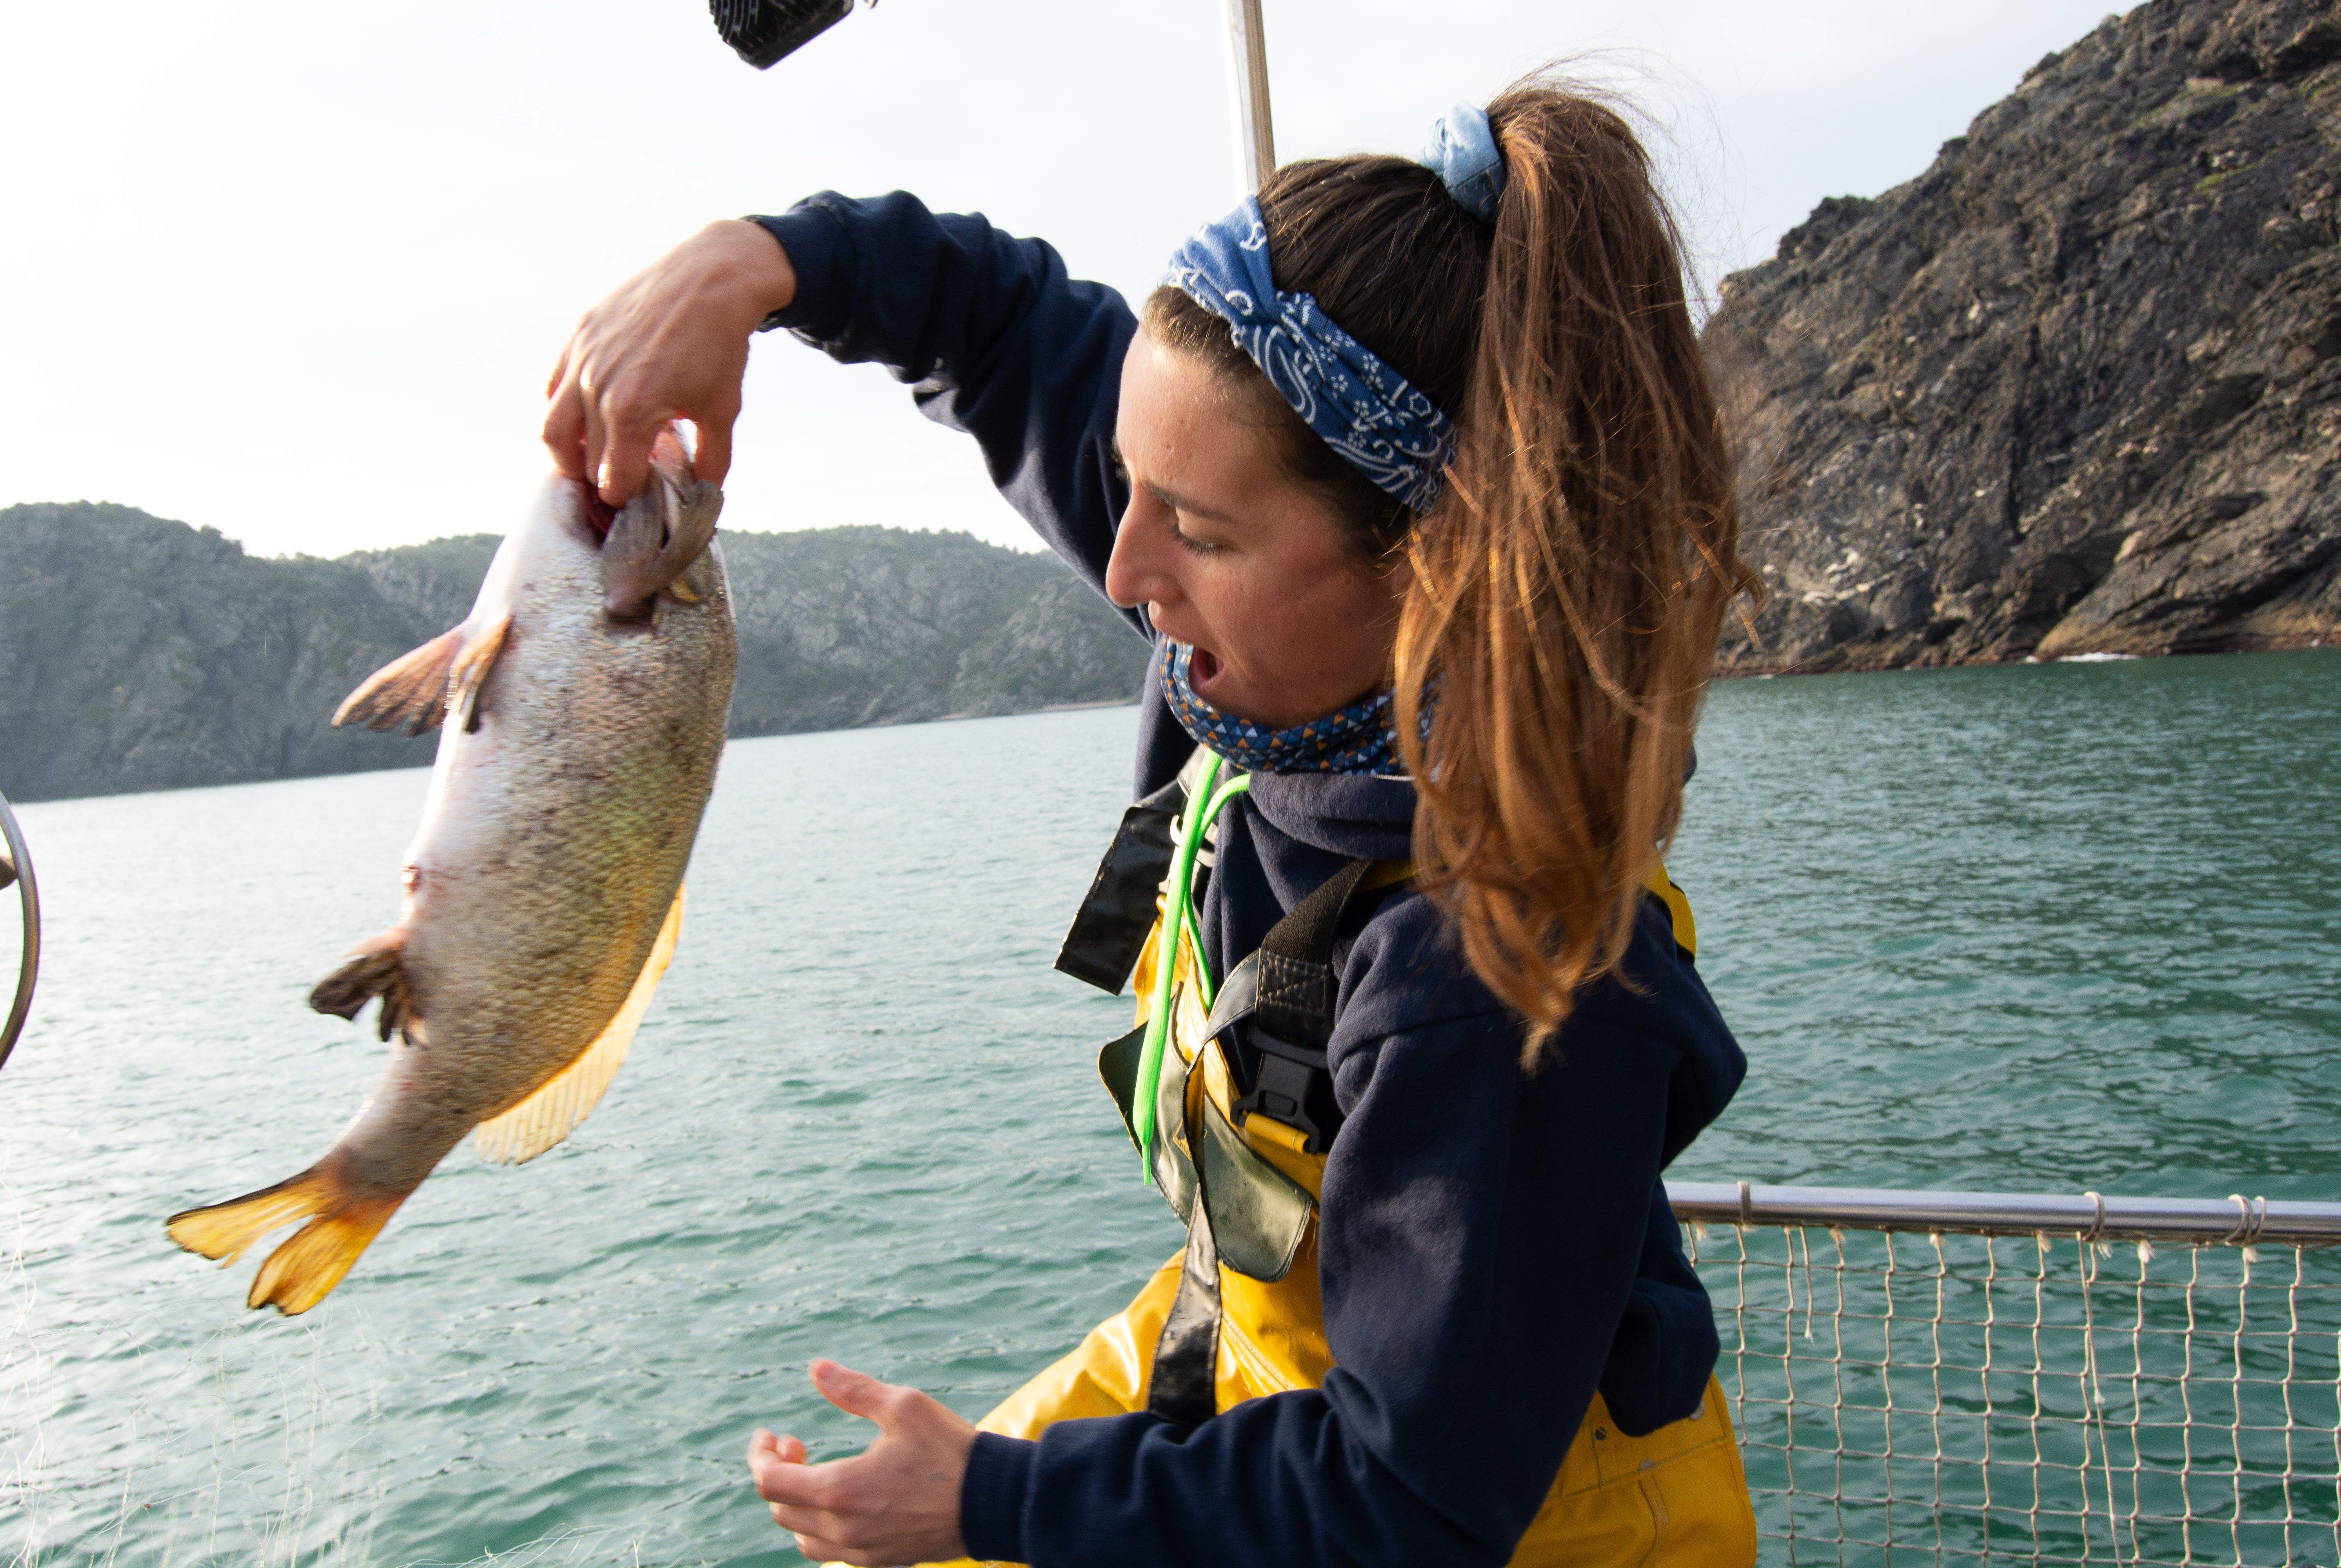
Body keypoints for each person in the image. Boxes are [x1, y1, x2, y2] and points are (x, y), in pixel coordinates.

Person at [545, 78, 1758, 1568]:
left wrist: (992, 1497)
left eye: (1196, 526)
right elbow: (993, 323)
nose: (1124, 571)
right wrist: (750, 264)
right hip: (1253, 1381)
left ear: (1437, 564)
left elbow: (1409, 1507)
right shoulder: (1256, 656)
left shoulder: (1493, 971)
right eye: (1130, 487)